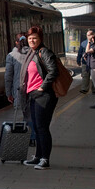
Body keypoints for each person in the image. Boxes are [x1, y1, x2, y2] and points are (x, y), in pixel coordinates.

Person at [19, 25, 58, 169]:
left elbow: (53, 71)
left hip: (44, 95)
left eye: (34, 38)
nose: (32, 40)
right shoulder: (31, 53)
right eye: (29, 38)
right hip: (33, 94)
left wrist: (43, 87)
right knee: (36, 126)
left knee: (42, 127)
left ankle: (45, 159)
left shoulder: (44, 52)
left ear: (40, 39)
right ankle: (37, 156)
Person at [5, 33, 36, 147]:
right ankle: (33, 136)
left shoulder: (12, 56)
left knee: (26, 114)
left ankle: (30, 137)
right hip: (34, 88)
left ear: (16, 42)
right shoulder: (34, 53)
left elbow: (8, 76)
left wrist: (8, 93)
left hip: (20, 90)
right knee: (33, 113)